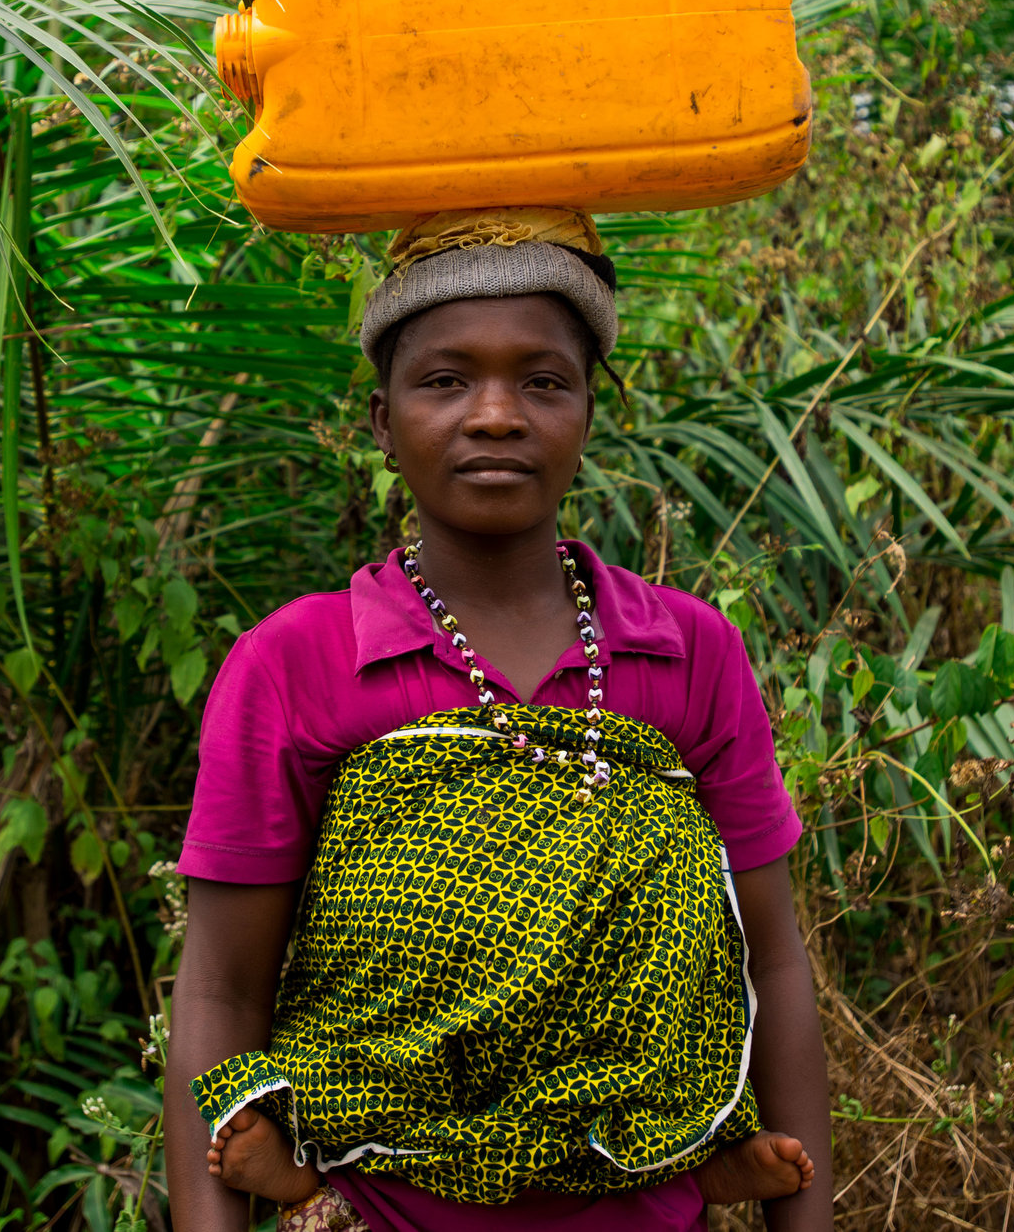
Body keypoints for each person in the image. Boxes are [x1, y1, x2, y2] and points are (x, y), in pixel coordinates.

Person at [163, 209, 833, 1232]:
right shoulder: (296, 663)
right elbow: (218, 994)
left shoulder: (688, 653)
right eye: (443, 380)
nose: (494, 414)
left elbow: (773, 959)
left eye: (542, 380)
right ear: (382, 421)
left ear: (587, 412)